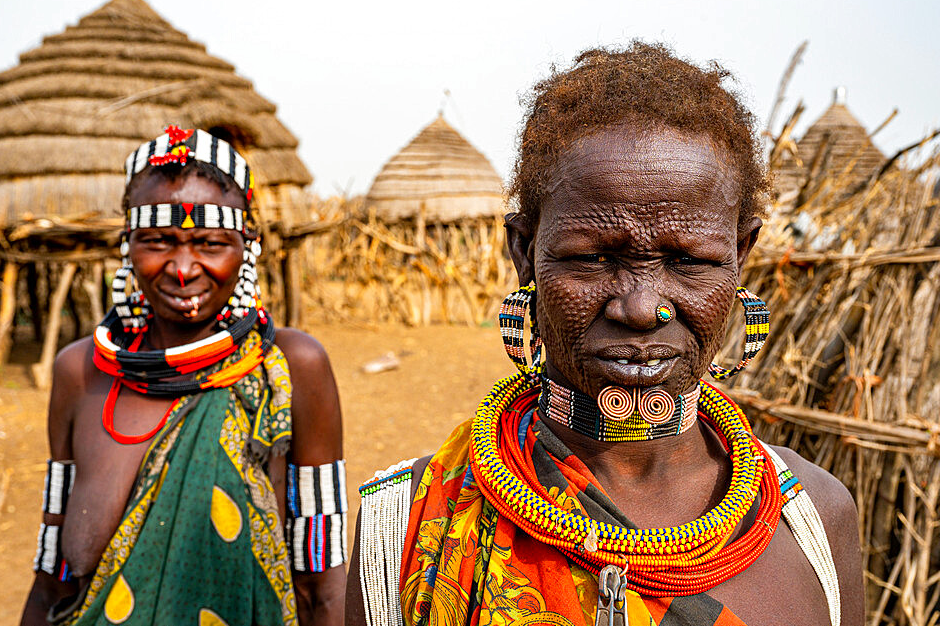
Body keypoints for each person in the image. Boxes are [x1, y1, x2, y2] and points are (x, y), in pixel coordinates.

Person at [346, 43, 863, 626]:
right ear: (524, 251)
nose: (642, 308)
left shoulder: (814, 518)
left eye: (687, 261)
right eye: (593, 258)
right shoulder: (406, 525)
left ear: (741, 255)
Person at [21, 126, 347, 626]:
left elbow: (323, 587)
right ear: (126, 244)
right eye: (158, 242)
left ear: (248, 248)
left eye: (211, 244)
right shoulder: (79, 372)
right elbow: (52, 580)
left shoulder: (292, 368)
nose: (183, 267)